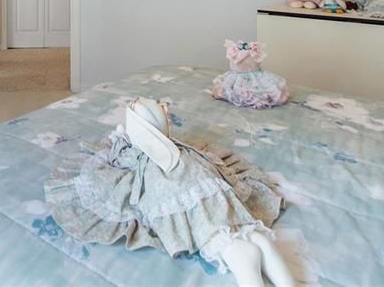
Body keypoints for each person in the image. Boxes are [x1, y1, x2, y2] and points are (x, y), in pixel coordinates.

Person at [45, 98, 293, 287]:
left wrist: (121, 144)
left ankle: (237, 252)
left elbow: (117, 162)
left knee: (208, 227)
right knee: (242, 225)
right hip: (204, 177)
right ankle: (261, 246)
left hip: (179, 184)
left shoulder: (142, 157)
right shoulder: (183, 150)